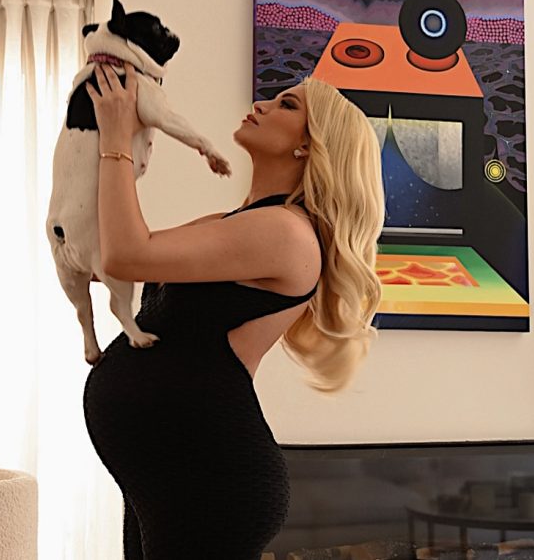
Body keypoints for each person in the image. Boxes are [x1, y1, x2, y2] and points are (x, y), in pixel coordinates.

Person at [82, 62, 385, 559]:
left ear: (308, 144)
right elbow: (106, 258)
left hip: (210, 479)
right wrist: (117, 135)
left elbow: (125, 255)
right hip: (170, 473)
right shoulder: (237, 222)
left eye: (287, 105)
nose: (262, 103)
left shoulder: (285, 233)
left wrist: (116, 140)